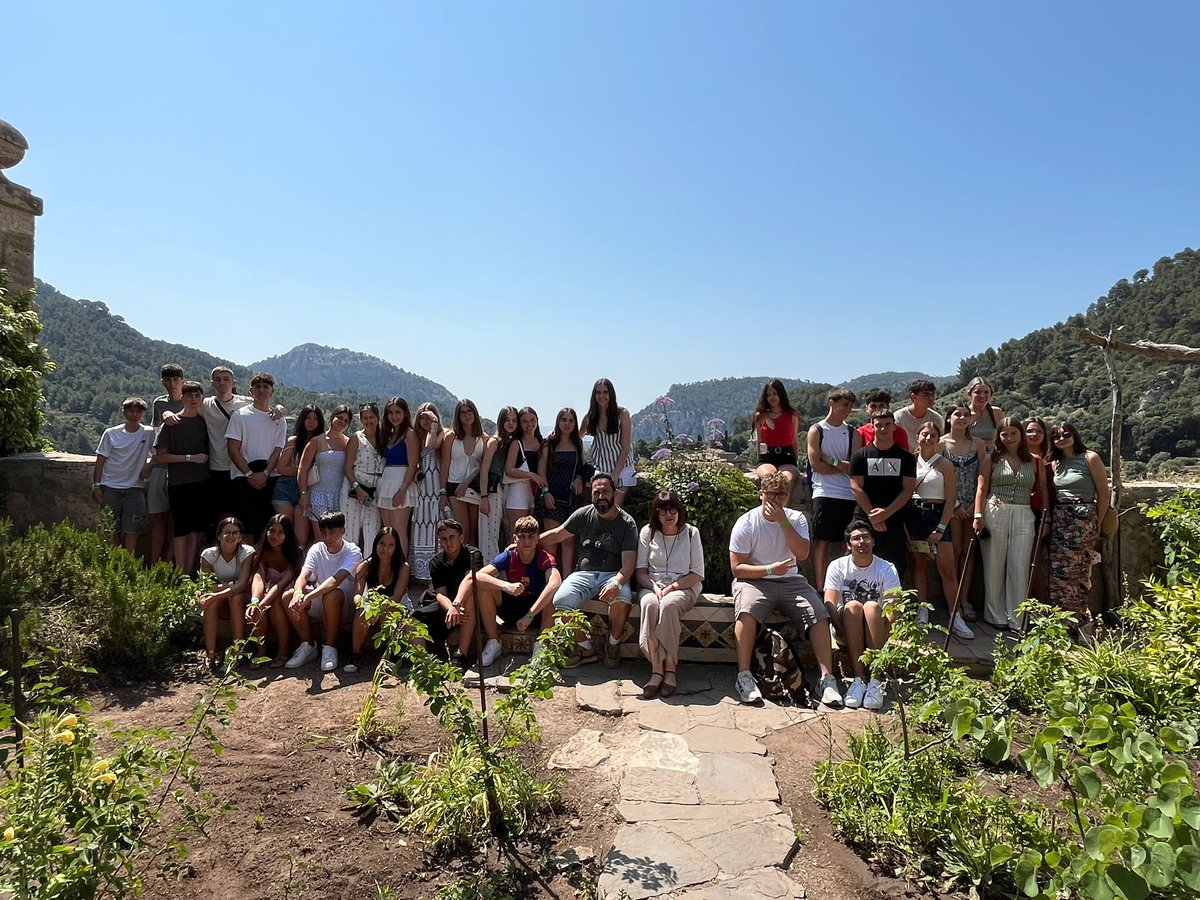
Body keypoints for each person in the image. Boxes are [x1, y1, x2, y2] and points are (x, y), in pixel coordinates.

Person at [729, 471, 843, 707]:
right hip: (756, 579)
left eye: (781, 494)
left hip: (791, 581)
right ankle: (744, 676)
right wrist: (770, 570)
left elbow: (802, 554)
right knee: (746, 611)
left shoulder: (796, 519)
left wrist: (783, 522)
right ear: (761, 495)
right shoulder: (747, 522)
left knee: (818, 613)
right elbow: (738, 568)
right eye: (771, 494)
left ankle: (827, 679)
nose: (776, 500)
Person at [542, 473, 638, 668]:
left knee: (622, 601)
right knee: (561, 601)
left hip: (613, 575)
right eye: (596, 492)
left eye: (605, 491)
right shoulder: (583, 514)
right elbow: (557, 534)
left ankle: (612, 645)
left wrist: (617, 583)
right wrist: (524, 544)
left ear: (614, 493)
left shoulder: (627, 523)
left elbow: (628, 565)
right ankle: (587, 648)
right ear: (591, 495)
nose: (601, 496)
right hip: (583, 574)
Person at [973, 417, 1049, 632]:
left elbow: (1042, 489)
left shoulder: (1034, 460)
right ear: (999, 436)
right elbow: (981, 488)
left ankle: (1018, 617)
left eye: (1013, 433)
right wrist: (978, 515)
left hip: (1024, 513)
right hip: (996, 510)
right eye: (1004, 434)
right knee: (994, 564)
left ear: (1021, 434)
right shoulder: (992, 459)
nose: (1009, 438)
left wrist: (1047, 518)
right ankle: (995, 614)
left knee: (1020, 565)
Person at [823, 521, 901, 710]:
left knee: (873, 607)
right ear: (849, 545)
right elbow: (830, 603)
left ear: (873, 541)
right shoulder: (837, 566)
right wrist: (845, 633)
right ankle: (859, 679)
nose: (861, 542)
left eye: (866, 537)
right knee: (853, 606)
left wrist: (886, 637)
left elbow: (894, 608)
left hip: (876, 630)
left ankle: (875, 680)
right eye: (856, 538)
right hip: (846, 628)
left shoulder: (887, 568)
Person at [634, 491, 704, 698]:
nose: (668, 514)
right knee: (650, 604)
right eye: (663, 510)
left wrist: (671, 588)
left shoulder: (691, 533)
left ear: (679, 511)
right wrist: (655, 589)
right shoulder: (648, 533)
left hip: (684, 586)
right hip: (652, 585)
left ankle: (670, 669)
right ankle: (656, 670)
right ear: (656, 513)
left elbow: (697, 574)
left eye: (672, 508)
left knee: (669, 605)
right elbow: (641, 571)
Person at [907, 421, 973, 638]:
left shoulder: (944, 464)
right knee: (919, 565)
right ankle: (922, 611)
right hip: (915, 515)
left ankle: (956, 617)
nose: (928, 438)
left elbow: (951, 497)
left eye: (933, 435)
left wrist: (941, 527)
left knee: (947, 569)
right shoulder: (910, 462)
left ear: (938, 439)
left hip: (938, 516)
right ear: (917, 436)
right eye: (924, 434)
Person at [471, 516, 562, 668]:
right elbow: (478, 576)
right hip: (512, 607)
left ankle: (541, 644)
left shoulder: (543, 557)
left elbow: (555, 581)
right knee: (485, 588)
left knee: (553, 593)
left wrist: (530, 615)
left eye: (531, 537)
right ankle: (494, 642)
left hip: (536, 612)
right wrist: (506, 586)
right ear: (515, 538)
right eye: (522, 537)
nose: (527, 541)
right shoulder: (509, 556)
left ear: (537, 538)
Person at [1048, 423, 1110, 628]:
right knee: (1058, 569)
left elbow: (1103, 492)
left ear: (1075, 435)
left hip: (1083, 516)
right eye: (1056, 436)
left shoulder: (1089, 458)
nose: (1062, 439)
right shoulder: (1057, 463)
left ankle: (1080, 619)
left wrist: (1097, 523)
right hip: (1061, 516)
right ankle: (1065, 621)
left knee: (1074, 569)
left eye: (1066, 434)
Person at [285, 511, 364, 672]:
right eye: (323, 532)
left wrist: (309, 596)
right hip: (321, 602)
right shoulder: (316, 548)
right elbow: (303, 575)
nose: (327, 537)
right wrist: (298, 593)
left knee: (332, 594)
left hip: (345, 606)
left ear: (343, 531)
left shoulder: (353, 551)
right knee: (287, 596)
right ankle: (309, 645)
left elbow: (335, 581)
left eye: (332, 532)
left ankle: (329, 647)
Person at [807, 387, 862, 593]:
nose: (848, 410)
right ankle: (821, 589)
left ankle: (841, 588)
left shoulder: (852, 433)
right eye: (844, 405)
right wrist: (842, 466)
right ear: (832, 403)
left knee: (845, 543)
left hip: (848, 494)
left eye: (850, 406)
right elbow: (816, 466)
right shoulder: (817, 430)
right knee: (821, 543)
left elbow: (854, 468)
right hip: (824, 493)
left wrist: (830, 459)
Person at [850, 409, 916, 576]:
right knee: (861, 568)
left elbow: (908, 489)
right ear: (872, 426)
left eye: (887, 424)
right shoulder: (859, 456)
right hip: (865, 520)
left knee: (895, 570)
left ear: (894, 426)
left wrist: (886, 513)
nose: (883, 428)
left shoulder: (907, 458)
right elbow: (856, 487)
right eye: (878, 425)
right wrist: (873, 515)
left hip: (894, 522)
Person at [153, 380, 210, 575]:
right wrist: (190, 458)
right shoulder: (171, 423)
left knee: (194, 530)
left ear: (201, 398)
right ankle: (180, 572)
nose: (193, 399)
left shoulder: (204, 422)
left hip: (202, 483)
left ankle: (189, 573)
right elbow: (160, 456)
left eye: (197, 395)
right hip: (179, 483)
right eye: (189, 395)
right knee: (180, 530)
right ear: (183, 398)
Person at [940, 404, 990, 622]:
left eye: (965, 415)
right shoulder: (941, 444)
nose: (961, 418)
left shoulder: (977, 444)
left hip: (973, 506)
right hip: (950, 506)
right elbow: (938, 477)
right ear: (949, 418)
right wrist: (956, 505)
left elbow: (982, 475)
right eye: (957, 414)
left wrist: (975, 507)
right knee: (955, 552)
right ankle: (952, 599)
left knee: (969, 553)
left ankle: (964, 599)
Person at [225, 373, 287, 541]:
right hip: (242, 478)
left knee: (264, 530)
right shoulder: (240, 416)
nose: (261, 390)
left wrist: (265, 473)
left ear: (272, 391)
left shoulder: (280, 420)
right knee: (244, 531)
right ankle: (244, 567)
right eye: (257, 387)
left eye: (265, 387)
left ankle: (259, 567)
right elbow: (233, 449)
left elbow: (277, 451)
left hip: (268, 480)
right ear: (251, 391)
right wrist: (250, 475)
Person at [92, 397, 154, 553]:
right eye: (131, 411)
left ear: (143, 414)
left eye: (138, 411)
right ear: (124, 412)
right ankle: (114, 562)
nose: (134, 415)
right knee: (111, 528)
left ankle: (127, 563)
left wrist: (149, 466)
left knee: (132, 529)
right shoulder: (111, 433)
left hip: (134, 487)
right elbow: (100, 460)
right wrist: (96, 485)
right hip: (110, 486)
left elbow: (158, 453)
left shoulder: (148, 433)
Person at [349, 526, 411, 674]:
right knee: (361, 612)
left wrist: (380, 606)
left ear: (396, 547)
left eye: (391, 545)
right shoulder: (365, 566)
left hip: (398, 605)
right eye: (382, 543)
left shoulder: (403, 567)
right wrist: (363, 604)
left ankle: (390, 654)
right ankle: (355, 655)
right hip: (373, 605)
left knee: (388, 610)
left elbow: (396, 597)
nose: (385, 549)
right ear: (376, 544)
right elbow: (357, 594)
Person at [196, 517, 256, 670]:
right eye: (227, 532)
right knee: (211, 602)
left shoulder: (247, 552)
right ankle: (210, 655)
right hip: (221, 596)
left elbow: (242, 584)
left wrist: (218, 590)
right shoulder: (208, 555)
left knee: (233, 597)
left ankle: (237, 653)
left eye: (235, 533)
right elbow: (206, 585)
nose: (231, 536)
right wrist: (219, 590)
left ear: (240, 537)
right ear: (219, 535)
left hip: (241, 596)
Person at [428, 518, 487, 668]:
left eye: (452, 537)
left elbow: (471, 581)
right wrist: (451, 609)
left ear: (461, 538)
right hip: (448, 603)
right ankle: (428, 659)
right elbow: (440, 593)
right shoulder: (435, 562)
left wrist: (456, 605)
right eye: (444, 539)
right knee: (415, 618)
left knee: (470, 597)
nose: (448, 542)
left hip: (468, 601)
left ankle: (461, 654)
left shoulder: (474, 555)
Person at [537, 407, 589, 576]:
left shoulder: (577, 444)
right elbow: (541, 471)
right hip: (552, 499)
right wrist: (545, 492)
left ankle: (566, 581)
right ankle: (550, 582)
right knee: (550, 544)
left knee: (569, 542)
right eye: (564, 420)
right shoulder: (548, 443)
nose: (567, 424)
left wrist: (579, 478)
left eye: (571, 420)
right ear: (558, 421)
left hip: (571, 500)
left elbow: (582, 467)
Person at [248, 514, 304, 668]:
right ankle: (260, 651)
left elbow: (282, 583)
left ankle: (283, 650)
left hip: (286, 589)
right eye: (271, 531)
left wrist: (263, 604)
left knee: (275, 604)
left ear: (288, 534)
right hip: (266, 589)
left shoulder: (295, 553)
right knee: (258, 605)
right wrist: (255, 602)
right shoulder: (260, 552)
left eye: (281, 532)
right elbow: (258, 578)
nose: (275, 536)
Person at [148, 363, 185, 565]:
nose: (172, 384)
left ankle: (169, 564)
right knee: (159, 518)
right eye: (168, 380)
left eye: (175, 380)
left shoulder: (193, 401)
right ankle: (154, 564)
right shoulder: (159, 404)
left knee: (177, 521)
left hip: (184, 468)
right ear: (163, 382)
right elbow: (156, 436)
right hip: (161, 466)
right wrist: (151, 464)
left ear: (183, 381)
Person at [440, 399, 489, 549]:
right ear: (458, 416)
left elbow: (484, 466)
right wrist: (442, 492)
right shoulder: (451, 437)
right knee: (463, 531)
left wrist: (468, 480)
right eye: (463, 413)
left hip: (474, 486)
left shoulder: (483, 438)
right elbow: (445, 464)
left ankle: (473, 568)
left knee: (474, 533)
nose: (467, 415)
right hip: (454, 487)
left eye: (470, 411)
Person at [273, 406, 323, 550]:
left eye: (315, 419)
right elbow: (281, 468)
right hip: (286, 489)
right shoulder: (293, 441)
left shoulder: (321, 442)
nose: (311, 422)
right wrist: (304, 470)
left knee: (301, 538)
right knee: (284, 531)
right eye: (308, 418)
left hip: (307, 491)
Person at [375, 397, 419, 558]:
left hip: (402, 481)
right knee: (387, 530)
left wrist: (402, 490)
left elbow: (413, 464)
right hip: (386, 481)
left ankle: (402, 569)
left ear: (405, 413)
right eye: (390, 413)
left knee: (399, 529)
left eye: (398, 412)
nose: (394, 416)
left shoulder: (409, 434)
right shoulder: (387, 434)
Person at [580, 378, 634, 506]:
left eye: (605, 392)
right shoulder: (590, 417)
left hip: (623, 468)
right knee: (600, 506)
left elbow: (626, 447)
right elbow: (576, 438)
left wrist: (615, 474)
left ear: (611, 394)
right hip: (600, 468)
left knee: (614, 506)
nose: (602, 396)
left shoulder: (622, 414)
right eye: (598, 392)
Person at [298, 404, 352, 528]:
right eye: (339, 418)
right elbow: (303, 468)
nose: (342, 422)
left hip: (341, 497)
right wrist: (304, 494)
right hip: (318, 495)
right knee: (321, 537)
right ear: (332, 417)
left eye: (346, 421)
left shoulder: (349, 443)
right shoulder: (317, 441)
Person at [409, 402, 446, 582]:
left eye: (429, 417)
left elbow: (431, 446)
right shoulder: (415, 437)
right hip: (421, 491)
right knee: (421, 527)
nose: (425, 420)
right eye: (422, 417)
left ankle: (436, 574)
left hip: (436, 488)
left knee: (436, 527)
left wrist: (434, 425)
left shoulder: (441, 434)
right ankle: (421, 573)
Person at [343, 402, 384, 556]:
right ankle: (347, 576)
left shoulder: (384, 439)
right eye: (365, 417)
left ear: (378, 417)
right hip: (354, 490)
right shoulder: (356, 438)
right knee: (350, 534)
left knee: (372, 535)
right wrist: (357, 489)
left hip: (376, 491)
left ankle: (369, 576)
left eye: (371, 417)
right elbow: (347, 467)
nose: (368, 421)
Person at [477, 405, 514, 559]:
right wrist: (484, 497)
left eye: (514, 420)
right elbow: (484, 470)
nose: (511, 423)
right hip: (491, 491)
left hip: (501, 489)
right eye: (507, 420)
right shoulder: (495, 442)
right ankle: (488, 568)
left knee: (497, 532)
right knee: (488, 533)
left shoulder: (508, 442)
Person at [1024, 416, 1055, 602]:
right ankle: (1040, 605)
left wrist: (1048, 518)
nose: (1034, 434)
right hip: (1029, 513)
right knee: (1031, 562)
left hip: (1053, 511)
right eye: (1029, 431)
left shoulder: (1053, 456)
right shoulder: (1018, 457)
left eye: (1039, 431)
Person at [503, 407, 546, 535]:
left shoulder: (541, 442)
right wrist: (531, 475)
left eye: (532, 420)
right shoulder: (516, 443)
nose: (529, 424)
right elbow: (509, 470)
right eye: (525, 421)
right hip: (518, 491)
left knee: (532, 533)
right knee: (516, 533)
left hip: (535, 492)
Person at [751, 378, 802, 475]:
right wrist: (759, 460)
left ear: (781, 394)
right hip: (767, 458)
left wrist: (796, 463)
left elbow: (794, 440)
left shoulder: (792, 415)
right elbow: (759, 441)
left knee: (785, 482)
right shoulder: (760, 416)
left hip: (787, 457)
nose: (771, 397)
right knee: (769, 479)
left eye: (775, 393)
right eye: (768, 395)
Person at [895, 379, 942, 451]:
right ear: (914, 397)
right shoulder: (898, 418)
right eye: (926, 395)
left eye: (932, 394)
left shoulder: (937, 419)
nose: (931, 398)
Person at [965, 376, 1004, 451]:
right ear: (970, 394)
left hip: (993, 457)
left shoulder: (996, 412)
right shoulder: (963, 415)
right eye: (978, 392)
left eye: (986, 392)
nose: (982, 396)